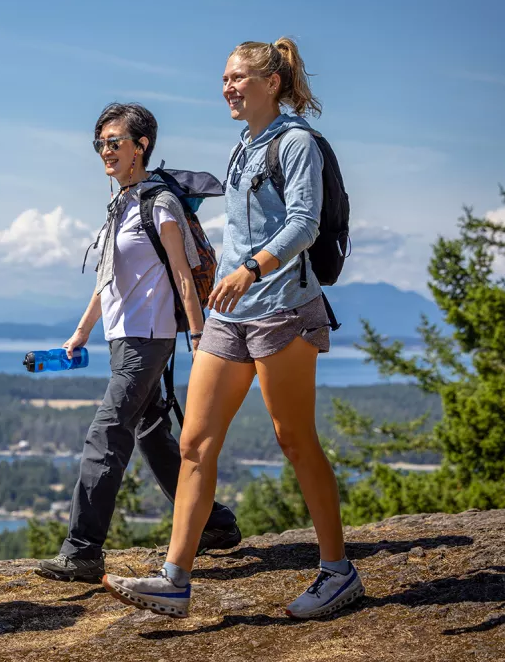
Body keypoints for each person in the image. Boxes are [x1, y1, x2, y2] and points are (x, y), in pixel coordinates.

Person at [102, 40, 364, 619]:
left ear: (271, 82)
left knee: (294, 440)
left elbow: (303, 223)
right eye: (224, 78)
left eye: (239, 77)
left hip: (283, 310)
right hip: (229, 314)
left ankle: (338, 571)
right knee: (194, 442)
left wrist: (248, 270)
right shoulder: (244, 145)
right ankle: (175, 578)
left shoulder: (295, 144)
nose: (228, 87)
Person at [36, 103, 240, 584]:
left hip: (150, 339)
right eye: (100, 143)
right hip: (123, 339)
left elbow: (185, 277)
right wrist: (82, 331)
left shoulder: (159, 203)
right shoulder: (122, 203)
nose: (105, 151)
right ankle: (215, 523)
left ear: (141, 146)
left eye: (114, 142)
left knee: (107, 434)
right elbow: (109, 281)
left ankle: (83, 550)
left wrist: (199, 333)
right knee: (151, 434)